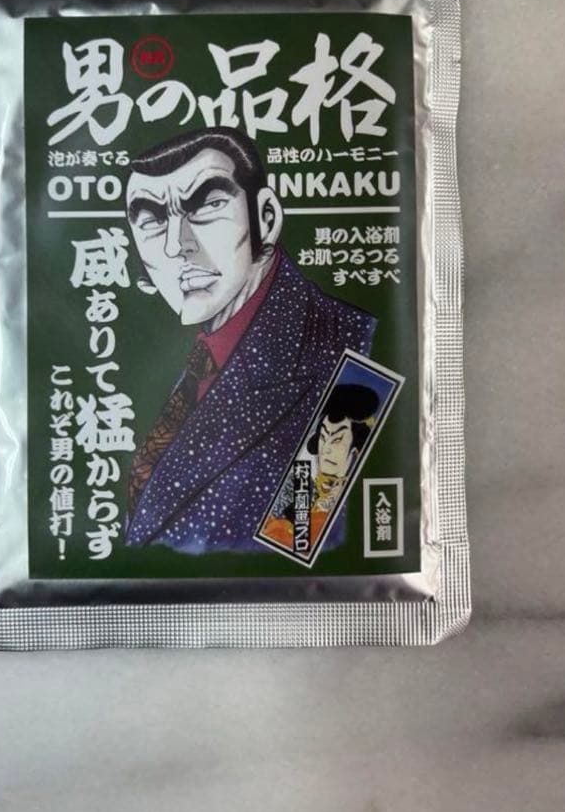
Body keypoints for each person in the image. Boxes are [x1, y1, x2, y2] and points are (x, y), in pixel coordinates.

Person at [123, 126, 376, 554]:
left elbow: (297, 545)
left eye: (207, 206)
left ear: (267, 218)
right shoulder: (203, 352)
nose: (177, 246)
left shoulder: (354, 360)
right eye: (152, 220)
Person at [262, 383, 380, 552]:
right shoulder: (301, 480)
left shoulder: (360, 488)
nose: (326, 449)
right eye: (323, 437)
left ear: (355, 446)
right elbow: (285, 541)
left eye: (337, 439)